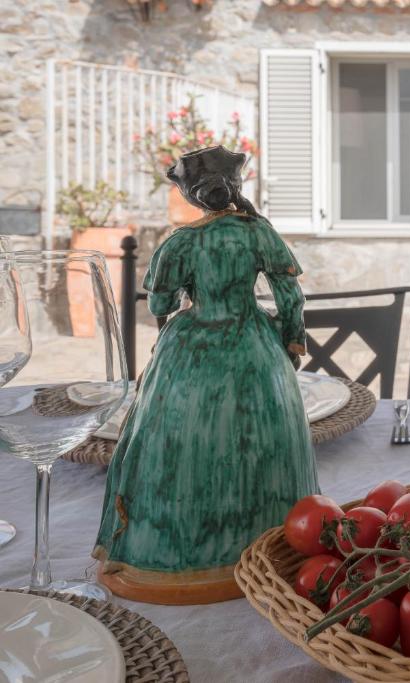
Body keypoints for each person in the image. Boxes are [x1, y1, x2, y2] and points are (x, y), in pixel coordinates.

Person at [93, 146, 318, 602]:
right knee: (268, 440)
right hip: (256, 345)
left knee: (179, 443)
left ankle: (178, 553)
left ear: (193, 195)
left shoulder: (181, 243)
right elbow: (290, 296)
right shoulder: (259, 233)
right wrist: (291, 341)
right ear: (235, 187)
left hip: (192, 350)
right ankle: (277, 546)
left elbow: (160, 303)